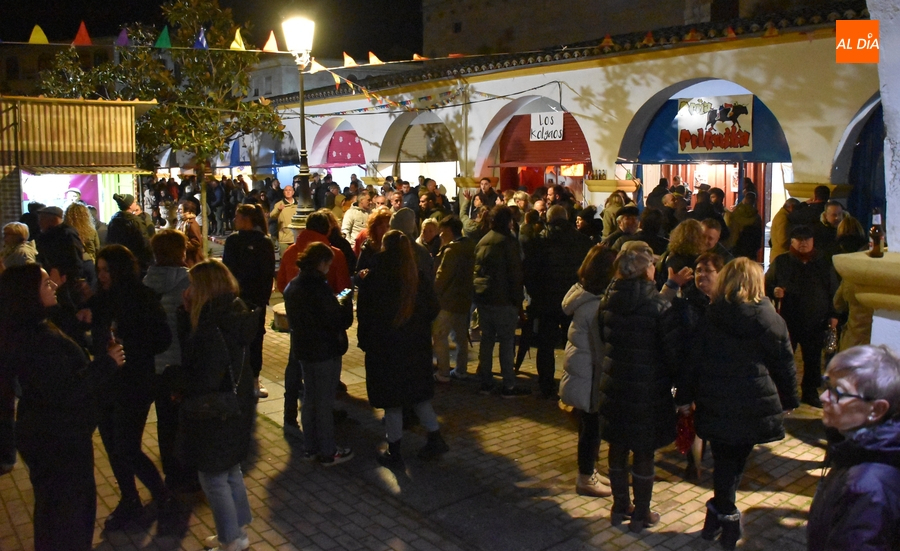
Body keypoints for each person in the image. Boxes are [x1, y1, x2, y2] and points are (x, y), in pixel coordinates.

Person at [0, 265, 124, 551]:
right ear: (28, 294)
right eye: (45, 283)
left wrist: (79, 323)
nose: (53, 286)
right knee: (69, 516)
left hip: (48, 434)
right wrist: (108, 363)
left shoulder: (28, 326)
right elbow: (66, 389)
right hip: (58, 438)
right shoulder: (38, 339)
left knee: (54, 511)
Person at [677, 258, 798, 550]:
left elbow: (692, 362)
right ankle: (724, 517)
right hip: (754, 401)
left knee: (724, 462)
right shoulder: (771, 319)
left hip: (716, 399)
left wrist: (683, 398)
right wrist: (789, 398)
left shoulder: (712, 315)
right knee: (734, 462)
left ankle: (720, 515)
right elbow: (785, 363)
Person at [177, 260, 259, 551]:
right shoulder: (234, 312)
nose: (187, 291)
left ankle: (230, 539)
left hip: (216, 410)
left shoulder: (209, 326)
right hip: (237, 405)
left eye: (192, 286)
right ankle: (238, 529)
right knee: (230, 469)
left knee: (212, 476)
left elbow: (202, 376)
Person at [89, 245, 173, 530]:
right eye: (98, 270)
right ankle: (129, 499)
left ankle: (162, 496)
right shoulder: (101, 299)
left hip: (135, 382)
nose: (101, 276)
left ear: (119, 270)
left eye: (105, 270)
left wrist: (130, 344)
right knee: (113, 445)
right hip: (107, 381)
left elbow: (162, 339)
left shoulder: (142, 298)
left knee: (128, 447)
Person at [597, 247, 678, 533]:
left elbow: (602, 337)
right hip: (648, 389)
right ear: (646, 271)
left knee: (617, 446)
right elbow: (671, 351)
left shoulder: (607, 300)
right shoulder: (657, 305)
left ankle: (620, 507)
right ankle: (641, 514)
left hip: (615, 383)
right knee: (643, 452)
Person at [357, 230, 447, 467]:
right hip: (415, 346)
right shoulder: (415, 274)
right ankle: (435, 437)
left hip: (386, 347)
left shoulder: (376, 277)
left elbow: (366, 315)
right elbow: (433, 308)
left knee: (393, 400)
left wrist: (365, 340)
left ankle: (394, 450)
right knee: (418, 396)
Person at [807, 345, 900, 551]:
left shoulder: (869, 486)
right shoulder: (855, 451)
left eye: (837, 392)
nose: (823, 397)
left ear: (876, 409)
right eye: (826, 384)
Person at [283, 243, 355, 465]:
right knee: (323, 401)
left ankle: (310, 447)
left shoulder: (293, 286)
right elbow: (336, 317)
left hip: (304, 349)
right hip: (324, 350)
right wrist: (346, 296)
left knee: (310, 399)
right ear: (322, 263)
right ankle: (328, 450)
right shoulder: (319, 288)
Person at [559, 245, 617, 498]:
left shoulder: (583, 296)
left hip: (582, 372)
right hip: (589, 377)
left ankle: (589, 471)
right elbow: (598, 351)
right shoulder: (594, 305)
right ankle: (585, 477)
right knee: (590, 429)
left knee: (588, 427)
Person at [142, 230, 196, 492]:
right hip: (182, 360)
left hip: (157, 362)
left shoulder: (146, 282)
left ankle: (171, 473)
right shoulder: (189, 281)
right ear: (181, 252)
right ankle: (187, 472)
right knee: (186, 419)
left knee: (165, 420)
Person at [523, 205, 594, 398]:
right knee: (573, 342)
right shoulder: (582, 241)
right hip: (573, 299)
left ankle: (546, 384)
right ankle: (573, 380)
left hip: (546, 300)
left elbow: (529, 272)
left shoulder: (539, 241)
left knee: (545, 343)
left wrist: (535, 294)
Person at [766, 225, 839, 407]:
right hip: (788, 318)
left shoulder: (823, 263)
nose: (804, 244)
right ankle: (782, 392)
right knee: (783, 358)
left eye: (807, 239)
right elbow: (767, 285)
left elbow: (834, 291)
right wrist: (774, 291)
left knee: (813, 359)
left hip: (816, 319)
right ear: (792, 242)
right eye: (799, 240)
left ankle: (810, 391)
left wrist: (833, 314)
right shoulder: (782, 262)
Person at [474, 206, 530, 397]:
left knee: (487, 340)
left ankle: (486, 382)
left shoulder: (483, 241)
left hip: (485, 298)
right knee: (506, 342)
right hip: (504, 299)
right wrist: (518, 301)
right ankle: (508, 384)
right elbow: (515, 274)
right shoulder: (508, 242)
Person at [222, 204, 276, 399]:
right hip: (236, 299)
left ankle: (254, 378)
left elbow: (267, 273)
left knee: (255, 338)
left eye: (237, 217)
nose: (234, 220)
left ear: (247, 219)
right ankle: (237, 378)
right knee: (236, 337)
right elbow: (227, 271)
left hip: (254, 300)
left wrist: (262, 300)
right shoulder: (233, 240)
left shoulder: (263, 242)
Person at [432, 216, 476, 382]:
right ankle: (461, 369)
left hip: (448, 301)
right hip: (464, 299)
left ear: (450, 230)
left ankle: (443, 372)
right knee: (460, 337)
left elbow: (442, 277)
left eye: (442, 231)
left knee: (439, 334)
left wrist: (434, 293)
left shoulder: (451, 251)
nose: (440, 235)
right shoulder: (469, 246)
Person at [107, 193, 153, 271]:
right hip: (134, 260)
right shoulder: (136, 221)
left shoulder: (113, 221)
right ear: (130, 206)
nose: (135, 203)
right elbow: (144, 241)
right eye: (134, 202)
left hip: (118, 260)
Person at [64, 202, 101, 286]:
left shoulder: (65, 231)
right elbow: (97, 248)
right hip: (89, 263)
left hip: (70, 265)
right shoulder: (91, 230)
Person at [269, 181, 297, 254]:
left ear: (293, 192)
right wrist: (278, 210)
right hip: (284, 238)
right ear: (283, 193)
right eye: (286, 190)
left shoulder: (299, 204)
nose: (288, 192)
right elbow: (272, 216)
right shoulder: (279, 204)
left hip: (297, 237)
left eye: (290, 190)